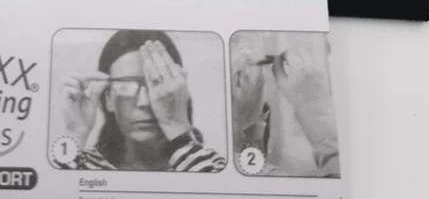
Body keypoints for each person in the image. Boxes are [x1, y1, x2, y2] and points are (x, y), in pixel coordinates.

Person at [54, 31, 226, 172]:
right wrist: (76, 133)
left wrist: (177, 128)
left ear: (178, 93)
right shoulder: (78, 163)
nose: (144, 102)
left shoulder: (215, 166)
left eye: (157, 84)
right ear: (108, 99)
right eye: (126, 85)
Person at [230, 38, 339, 177]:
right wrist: (314, 106)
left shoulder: (208, 159)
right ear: (238, 81)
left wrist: (246, 137)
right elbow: (342, 184)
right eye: (262, 70)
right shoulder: (270, 180)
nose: (264, 82)